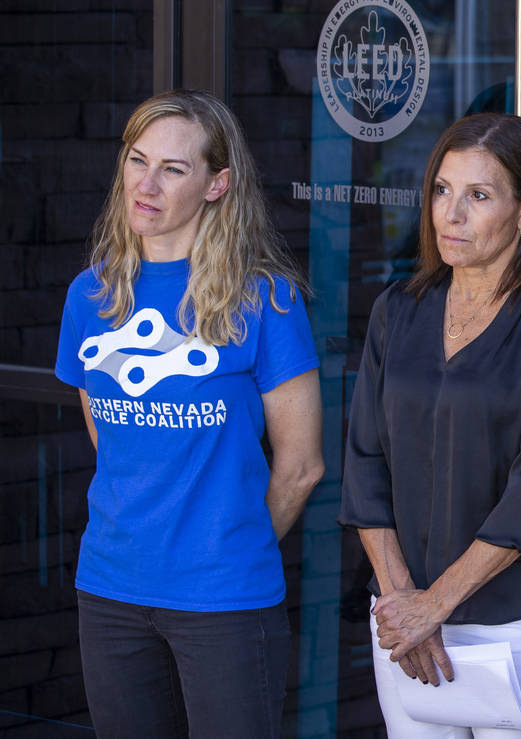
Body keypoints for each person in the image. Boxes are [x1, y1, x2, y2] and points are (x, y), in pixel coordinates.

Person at [54, 89, 324, 738]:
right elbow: (108, 437)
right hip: (111, 590)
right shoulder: (90, 295)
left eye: (173, 168)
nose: (146, 184)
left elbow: (301, 466)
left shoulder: (266, 301)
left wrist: (226, 541)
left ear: (217, 183)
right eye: (138, 160)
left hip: (223, 600)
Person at [339, 113, 521, 738]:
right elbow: (365, 463)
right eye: (442, 190)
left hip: (511, 626)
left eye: (479, 195)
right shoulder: (398, 310)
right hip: (401, 618)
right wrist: (404, 603)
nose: (451, 214)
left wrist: (436, 604)